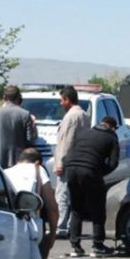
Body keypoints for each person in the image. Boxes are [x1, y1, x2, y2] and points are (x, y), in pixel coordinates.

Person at [63, 116, 119, 257]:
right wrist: (99, 172)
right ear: (112, 127)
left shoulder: (84, 133)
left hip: (70, 169)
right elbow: (113, 163)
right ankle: (98, 245)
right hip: (90, 170)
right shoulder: (111, 138)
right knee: (97, 209)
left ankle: (75, 246)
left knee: (76, 208)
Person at [3, 147, 59, 259]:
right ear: (38, 162)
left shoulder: (5, 172)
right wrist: (52, 234)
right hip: (30, 226)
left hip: (6, 225)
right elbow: (52, 206)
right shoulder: (38, 169)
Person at [53, 86, 89, 237]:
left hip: (68, 163)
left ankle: (61, 226)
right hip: (79, 162)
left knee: (62, 196)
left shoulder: (71, 117)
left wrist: (60, 164)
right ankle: (70, 226)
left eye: (62, 100)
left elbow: (66, 142)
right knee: (74, 196)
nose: (61, 103)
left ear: (67, 100)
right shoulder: (84, 115)